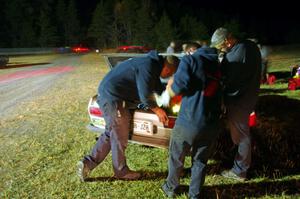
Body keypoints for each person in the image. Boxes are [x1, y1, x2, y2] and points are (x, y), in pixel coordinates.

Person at [77, 50, 179, 181]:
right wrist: (157, 110)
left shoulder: (153, 66)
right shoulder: (148, 66)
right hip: (113, 99)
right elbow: (145, 95)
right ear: (167, 67)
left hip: (112, 97)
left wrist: (169, 95)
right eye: (170, 73)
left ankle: (86, 164)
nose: (168, 76)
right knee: (119, 136)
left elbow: (158, 89)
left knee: (111, 133)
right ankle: (121, 171)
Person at [158, 47, 222, 198]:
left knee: (177, 156)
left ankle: (171, 187)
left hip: (188, 121)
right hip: (211, 124)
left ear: (195, 51)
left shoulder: (191, 60)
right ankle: (195, 194)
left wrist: (166, 95)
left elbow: (180, 84)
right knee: (200, 161)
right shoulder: (219, 66)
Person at [211, 28, 261, 181]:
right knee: (241, 132)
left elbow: (228, 79)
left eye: (220, 46)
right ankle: (242, 162)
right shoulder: (248, 46)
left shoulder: (237, 54)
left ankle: (240, 171)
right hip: (248, 95)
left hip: (239, 99)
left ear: (227, 40)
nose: (220, 49)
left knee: (241, 134)